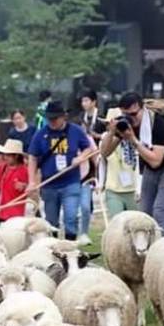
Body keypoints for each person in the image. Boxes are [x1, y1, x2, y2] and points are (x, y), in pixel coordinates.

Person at [99, 92, 164, 235]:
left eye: (134, 114)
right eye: (127, 115)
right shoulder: (126, 124)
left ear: (142, 109)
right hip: (150, 168)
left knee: (161, 211)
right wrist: (112, 131)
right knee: (145, 213)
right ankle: (151, 248)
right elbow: (104, 152)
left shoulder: (159, 125)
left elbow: (155, 161)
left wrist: (133, 140)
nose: (131, 119)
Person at [27, 100, 94, 241]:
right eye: (49, 118)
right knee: (51, 222)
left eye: (55, 118)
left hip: (71, 182)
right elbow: (32, 157)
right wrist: (32, 181)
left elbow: (88, 148)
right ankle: (54, 248)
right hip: (49, 185)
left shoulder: (75, 131)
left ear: (64, 117)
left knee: (71, 217)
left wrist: (81, 157)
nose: (52, 122)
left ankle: (70, 247)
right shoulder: (41, 134)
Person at [76, 89, 105, 245]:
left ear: (94, 101)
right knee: (80, 206)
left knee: (86, 205)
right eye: (83, 101)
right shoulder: (81, 119)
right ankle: (79, 233)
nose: (84, 104)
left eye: (87, 100)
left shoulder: (101, 117)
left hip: (97, 155)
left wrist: (95, 137)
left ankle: (84, 231)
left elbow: (107, 137)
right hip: (81, 165)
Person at [100, 107, 140, 217]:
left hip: (132, 189)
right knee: (118, 222)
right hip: (113, 189)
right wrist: (113, 132)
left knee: (134, 223)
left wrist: (127, 134)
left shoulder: (132, 135)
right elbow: (103, 153)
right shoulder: (106, 137)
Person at [0, 139, 29, 224]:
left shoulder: (23, 170)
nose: (5, 157)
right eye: (5, 154)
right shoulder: (4, 167)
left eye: (8, 155)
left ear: (16, 156)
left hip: (16, 213)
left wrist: (24, 186)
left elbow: (30, 190)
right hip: (2, 210)